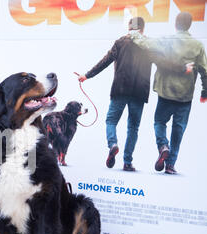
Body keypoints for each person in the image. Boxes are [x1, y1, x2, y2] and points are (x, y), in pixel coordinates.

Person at [78, 17, 189, 172]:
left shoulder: (120, 42)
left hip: (120, 90)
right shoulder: (148, 45)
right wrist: (183, 68)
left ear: (129, 28)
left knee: (111, 121)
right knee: (133, 127)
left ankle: (113, 144)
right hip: (139, 92)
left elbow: (105, 61)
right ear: (142, 29)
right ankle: (127, 162)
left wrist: (87, 75)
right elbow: (164, 62)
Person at [131, 12, 207, 174]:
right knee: (178, 130)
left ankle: (163, 146)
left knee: (159, 122)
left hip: (165, 93)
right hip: (185, 96)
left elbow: (146, 44)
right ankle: (170, 165)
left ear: (175, 24)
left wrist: (134, 35)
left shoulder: (166, 41)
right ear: (189, 25)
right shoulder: (198, 46)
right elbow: (205, 71)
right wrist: (204, 92)